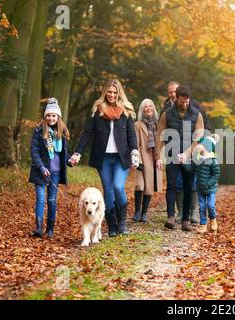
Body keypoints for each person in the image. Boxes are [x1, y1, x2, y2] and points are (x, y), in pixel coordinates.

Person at [69, 79, 140, 237]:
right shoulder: (98, 111)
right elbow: (87, 133)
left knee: (118, 187)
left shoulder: (126, 112)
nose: (112, 95)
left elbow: (131, 135)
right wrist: (77, 152)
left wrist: (134, 151)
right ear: (105, 92)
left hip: (121, 157)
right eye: (109, 92)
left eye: (115, 92)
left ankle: (122, 222)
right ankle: (112, 225)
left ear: (119, 93)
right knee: (108, 192)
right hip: (104, 158)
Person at [156, 85, 205, 231]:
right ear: (176, 98)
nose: (184, 104)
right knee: (171, 185)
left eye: (187, 101)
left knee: (188, 187)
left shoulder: (197, 115)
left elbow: (198, 137)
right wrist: (158, 156)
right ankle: (171, 217)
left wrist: (188, 153)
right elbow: (159, 135)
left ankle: (185, 221)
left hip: (189, 156)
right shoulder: (167, 114)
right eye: (182, 101)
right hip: (171, 155)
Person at [29, 98, 72, 238]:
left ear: (58, 116)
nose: (51, 118)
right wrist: (41, 167)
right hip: (40, 171)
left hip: (55, 172)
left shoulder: (62, 133)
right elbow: (34, 152)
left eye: (54, 115)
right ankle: (39, 228)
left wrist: (71, 161)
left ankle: (50, 229)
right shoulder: (39, 131)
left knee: (52, 200)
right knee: (40, 198)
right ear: (45, 116)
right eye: (48, 115)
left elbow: (64, 154)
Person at [133, 99, 163, 222]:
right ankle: (137, 212)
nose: (148, 108)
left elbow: (160, 143)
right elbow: (136, 144)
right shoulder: (137, 125)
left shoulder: (158, 125)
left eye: (151, 106)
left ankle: (144, 213)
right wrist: (138, 160)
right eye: (146, 107)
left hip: (153, 157)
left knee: (149, 186)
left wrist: (159, 158)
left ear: (154, 108)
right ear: (142, 109)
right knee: (140, 185)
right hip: (141, 156)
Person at [193, 134, 221, 233]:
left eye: (201, 144)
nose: (198, 146)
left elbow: (216, 174)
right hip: (200, 187)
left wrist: (209, 183)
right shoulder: (197, 159)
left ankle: (213, 220)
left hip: (210, 188)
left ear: (206, 147)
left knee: (210, 205)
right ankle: (203, 225)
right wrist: (183, 163)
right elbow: (191, 168)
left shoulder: (213, 161)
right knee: (202, 207)